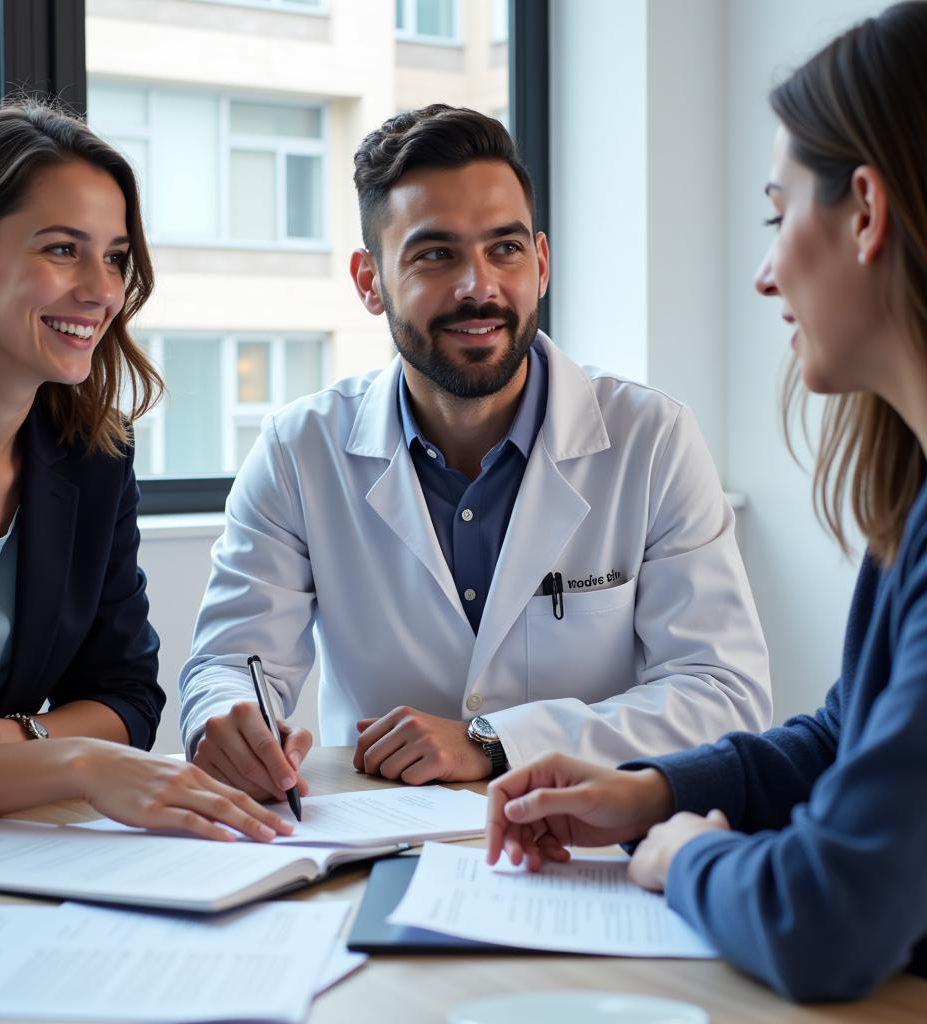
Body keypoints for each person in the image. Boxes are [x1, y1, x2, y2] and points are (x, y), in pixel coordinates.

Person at [484, 2, 927, 1002]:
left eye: (778, 216)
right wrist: (652, 792)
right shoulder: (911, 509)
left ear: (865, 211)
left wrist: (681, 855)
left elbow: (828, 913)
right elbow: (847, 737)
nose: (766, 275)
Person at [180, 104, 771, 803]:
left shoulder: (653, 439)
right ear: (370, 282)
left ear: (542, 263)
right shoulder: (296, 451)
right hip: (378, 844)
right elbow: (228, 663)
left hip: (590, 843)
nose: (478, 286)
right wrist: (226, 720)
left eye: (505, 249)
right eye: (436, 254)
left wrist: (496, 741)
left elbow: (725, 695)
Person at [0, 101, 292, 843]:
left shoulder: (92, 457)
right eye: (61, 250)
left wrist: (14, 739)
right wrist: (70, 761)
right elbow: (98, 739)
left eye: (114, 257)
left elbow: (126, 694)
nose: (102, 290)